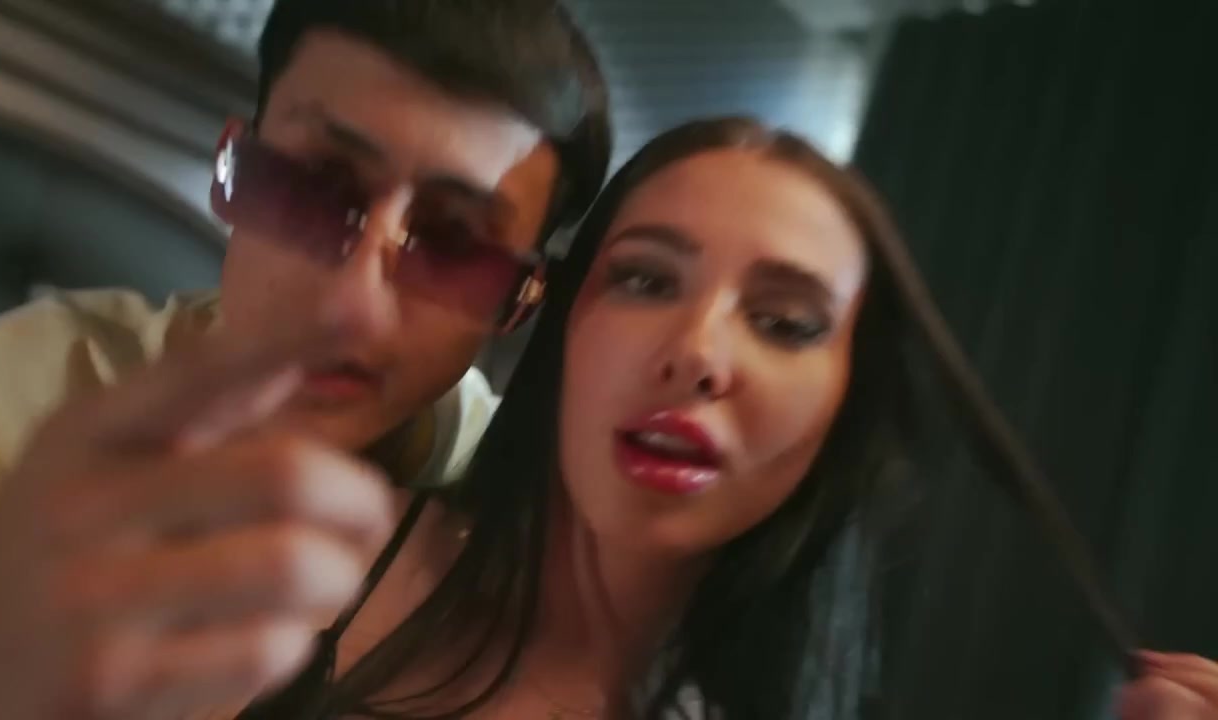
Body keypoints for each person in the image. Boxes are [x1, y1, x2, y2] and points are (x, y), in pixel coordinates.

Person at [228, 117, 1218, 719]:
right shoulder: (289, 573)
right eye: (645, 279)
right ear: (565, 327)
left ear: (842, 410)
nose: (699, 351)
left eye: (784, 323)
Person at [0, 1, 609, 717]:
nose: (351, 300)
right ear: (230, 166)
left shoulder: (509, 483)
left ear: (520, 303)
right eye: (319, 187)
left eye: (451, 244)